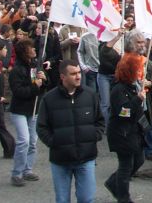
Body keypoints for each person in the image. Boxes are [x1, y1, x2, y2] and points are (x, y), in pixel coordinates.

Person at [37, 59, 104, 203]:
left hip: (86, 158)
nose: (78, 76)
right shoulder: (49, 99)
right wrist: (54, 142)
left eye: (79, 72)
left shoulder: (90, 95)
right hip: (60, 160)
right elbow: (41, 127)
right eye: (73, 74)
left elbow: (100, 121)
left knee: (87, 199)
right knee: (62, 199)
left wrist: (93, 136)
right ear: (63, 77)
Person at [105, 52, 147, 203]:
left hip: (133, 132)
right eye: (137, 70)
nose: (139, 72)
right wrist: (138, 100)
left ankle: (112, 182)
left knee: (139, 160)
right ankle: (123, 197)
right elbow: (123, 112)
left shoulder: (131, 86)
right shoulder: (119, 90)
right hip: (121, 133)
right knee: (126, 165)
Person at [9, 38, 46, 186]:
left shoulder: (35, 66)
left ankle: (27, 169)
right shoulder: (16, 71)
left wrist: (44, 79)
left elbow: (42, 87)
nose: (35, 50)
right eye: (31, 48)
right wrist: (35, 86)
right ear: (25, 52)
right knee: (24, 140)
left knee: (33, 142)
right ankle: (16, 173)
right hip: (19, 110)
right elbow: (19, 92)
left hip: (34, 109)